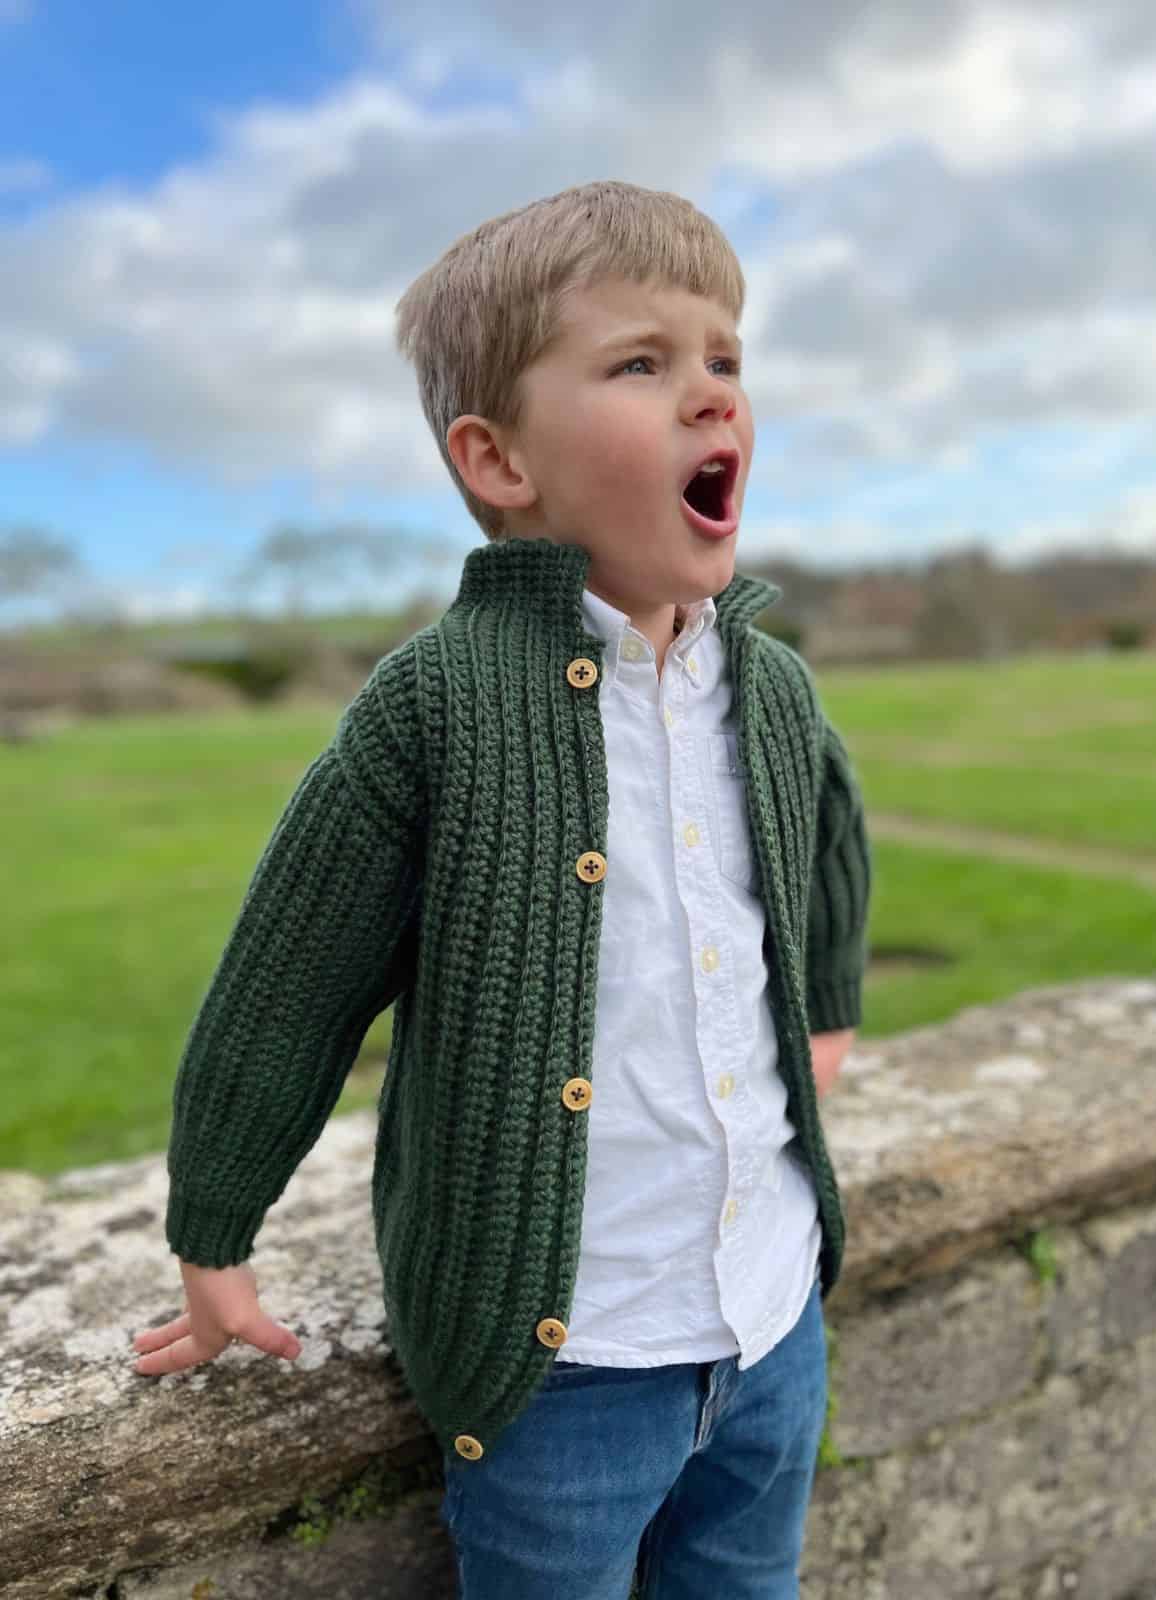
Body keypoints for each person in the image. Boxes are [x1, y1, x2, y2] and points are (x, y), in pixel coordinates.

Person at [132, 179, 873, 1599]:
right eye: (643, 364)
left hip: (775, 1321)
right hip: (564, 1371)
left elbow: (826, 832)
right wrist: (214, 1230)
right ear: (500, 460)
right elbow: (289, 982)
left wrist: (824, 1010)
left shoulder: (770, 686)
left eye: (727, 357)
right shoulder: (439, 709)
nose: (712, 395)